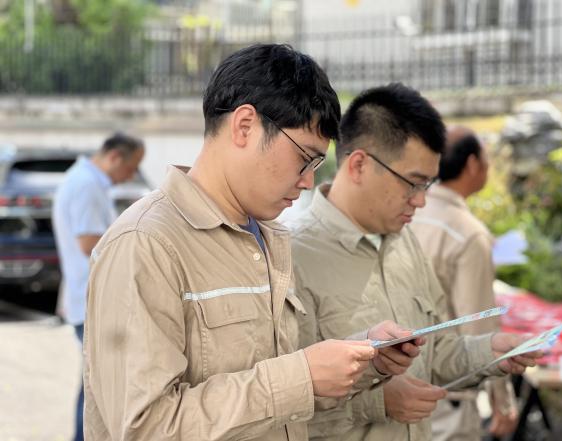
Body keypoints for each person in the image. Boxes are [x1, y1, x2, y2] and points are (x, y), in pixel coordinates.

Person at [83, 44, 421, 441]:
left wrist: (362, 358)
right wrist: (301, 377)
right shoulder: (145, 244)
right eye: (305, 158)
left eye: (317, 165)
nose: (308, 181)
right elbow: (143, 427)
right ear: (245, 126)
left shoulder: (269, 237)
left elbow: (283, 393)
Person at [290, 84, 541, 441]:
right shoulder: (293, 256)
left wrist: (489, 351)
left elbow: (435, 352)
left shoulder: (403, 241)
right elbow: (279, 407)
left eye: (428, 185)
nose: (421, 201)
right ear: (359, 165)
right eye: (413, 183)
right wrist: (377, 403)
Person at [411, 126, 518, 441]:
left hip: (399, 380)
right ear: (472, 164)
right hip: (448, 394)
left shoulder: (409, 212)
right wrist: (502, 399)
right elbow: (479, 324)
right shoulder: (468, 234)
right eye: (487, 157)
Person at [52, 133, 145, 441]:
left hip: (87, 297)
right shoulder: (87, 185)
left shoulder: (84, 180)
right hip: (93, 300)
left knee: (97, 384)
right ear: (115, 157)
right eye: (132, 167)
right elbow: (89, 242)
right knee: (99, 387)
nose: (131, 175)